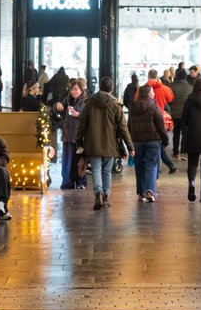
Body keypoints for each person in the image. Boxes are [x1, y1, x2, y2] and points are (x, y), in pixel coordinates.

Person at [75, 76, 134, 210]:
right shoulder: (116, 105)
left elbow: (82, 123)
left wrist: (79, 141)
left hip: (93, 143)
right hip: (110, 145)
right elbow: (123, 127)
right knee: (107, 171)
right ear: (111, 89)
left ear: (99, 87)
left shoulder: (90, 102)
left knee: (95, 169)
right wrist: (130, 146)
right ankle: (106, 196)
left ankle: (98, 194)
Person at [128, 84, 169, 203]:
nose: (154, 94)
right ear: (148, 94)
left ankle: (141, 193)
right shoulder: (154, 106)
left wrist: (129, 141)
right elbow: (161, 126)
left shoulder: (132, 107)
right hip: (153, 141)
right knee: (151, 165)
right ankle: (150, 191)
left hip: (137, 141)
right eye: (152, 92)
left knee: (139, 166)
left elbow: (129, 125)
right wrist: (165, 140)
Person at [53, 80, 89, 189]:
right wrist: (57, 105)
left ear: (81, 90)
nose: (74, 92)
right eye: (72, 89)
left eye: (76, 89)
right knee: (66, 161)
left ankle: (81, 182)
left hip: (79, 136)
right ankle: (67, 183)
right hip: (67, 135)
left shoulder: (87, 102)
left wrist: (79, 115)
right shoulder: (67, 100)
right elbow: (58, 110)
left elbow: (90, 117)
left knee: (80, 161)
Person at [142, 68, 177, 175]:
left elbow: (136, 101)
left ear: (148, 76)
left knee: (153, 145)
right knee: (159, 145)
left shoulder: (142, 89)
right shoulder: (165, 88)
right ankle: (160, 169)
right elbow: (171, 99)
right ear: (157, 76)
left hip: (147, 121)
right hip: (161, 119)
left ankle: (156, 171)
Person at [169, 65, 193, 157]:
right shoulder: (191, 88)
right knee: (185, 133)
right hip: (186, 114)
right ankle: (183, 151)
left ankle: (175, 152)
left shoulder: (171, 86)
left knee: (176, 133)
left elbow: (169, 100)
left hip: (175, 113)